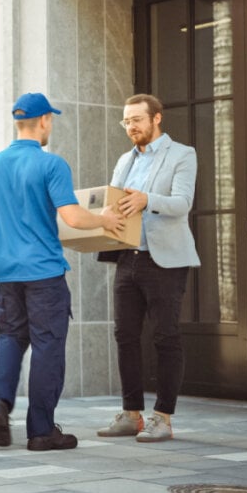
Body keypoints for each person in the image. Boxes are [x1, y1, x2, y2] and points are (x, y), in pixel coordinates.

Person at [0, 92, 123, 451]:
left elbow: (2, 215)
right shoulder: (51, 164)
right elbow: (73, 216)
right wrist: (104, 219)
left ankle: (0, 402)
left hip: (6, 271)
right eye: (51, 120)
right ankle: (42, 431)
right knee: (47, 346)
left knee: (11, 338)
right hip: (43, 272)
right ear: (44, 120)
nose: (51, 126)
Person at [96, 93, 200, 443]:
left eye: (137, 120)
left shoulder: (182, 154)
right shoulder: (125, 160)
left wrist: (146, 200)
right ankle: (131, 414)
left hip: (165, 260)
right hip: (128, 257)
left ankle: (163, 417)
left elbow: (183, 203)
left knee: (165, 336)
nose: (131, 127)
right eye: (126, 121)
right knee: (125, 336)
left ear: (156, 118)